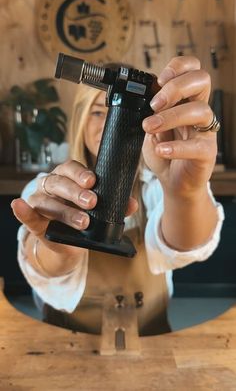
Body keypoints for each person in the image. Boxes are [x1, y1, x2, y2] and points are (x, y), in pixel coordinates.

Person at [11, 56, 224, 336]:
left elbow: (185, 246)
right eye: (99, 111)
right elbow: (38, 260)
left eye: (127, 111)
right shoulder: (50, 189)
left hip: (153, 347)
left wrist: (185, 191)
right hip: (66, 350)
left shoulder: (156, 185)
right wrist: (57, 249)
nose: (112, 120)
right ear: (80, 118)